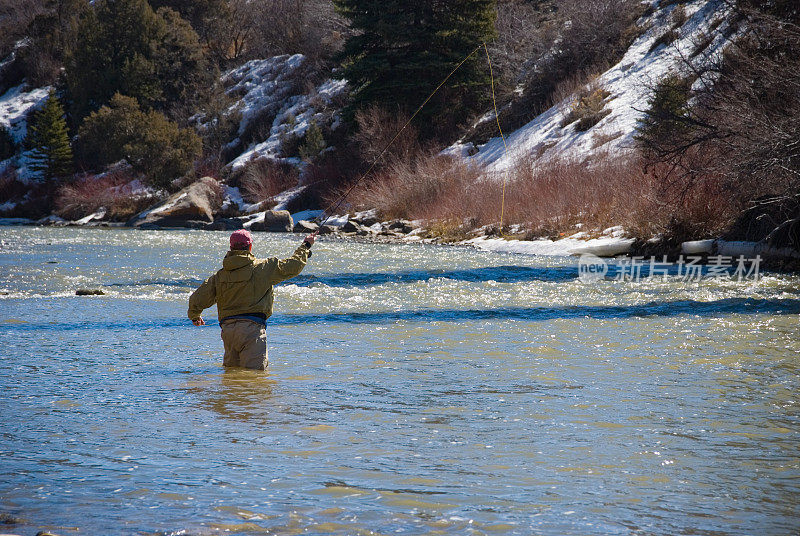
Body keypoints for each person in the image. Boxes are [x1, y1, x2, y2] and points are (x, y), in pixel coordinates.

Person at [188, 229, 316, 370]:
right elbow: (293, 266)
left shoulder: (219, 276)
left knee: (232, 377)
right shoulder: (263, 267)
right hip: (252, 329)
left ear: (231, 248)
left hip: (228, 331)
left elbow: (197, 298)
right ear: (250, 247)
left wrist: (195, 316)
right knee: (255, 377)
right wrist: (305, 246)